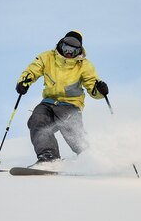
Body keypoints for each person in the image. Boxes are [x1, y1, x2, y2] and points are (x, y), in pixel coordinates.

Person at [15, 30, 109, 167]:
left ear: (79, 51)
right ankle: (49, 158)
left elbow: (93, 87)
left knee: (71, 128)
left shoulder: (84, 65)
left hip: (70, 105)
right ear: (61, 45)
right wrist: (24, 82)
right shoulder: (47, 57)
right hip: (48, 102)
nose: (68, 53)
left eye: (73, 51)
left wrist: (100, 90)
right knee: (37, 120)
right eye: (66, 48)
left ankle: (90, 157)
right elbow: (32, 70)